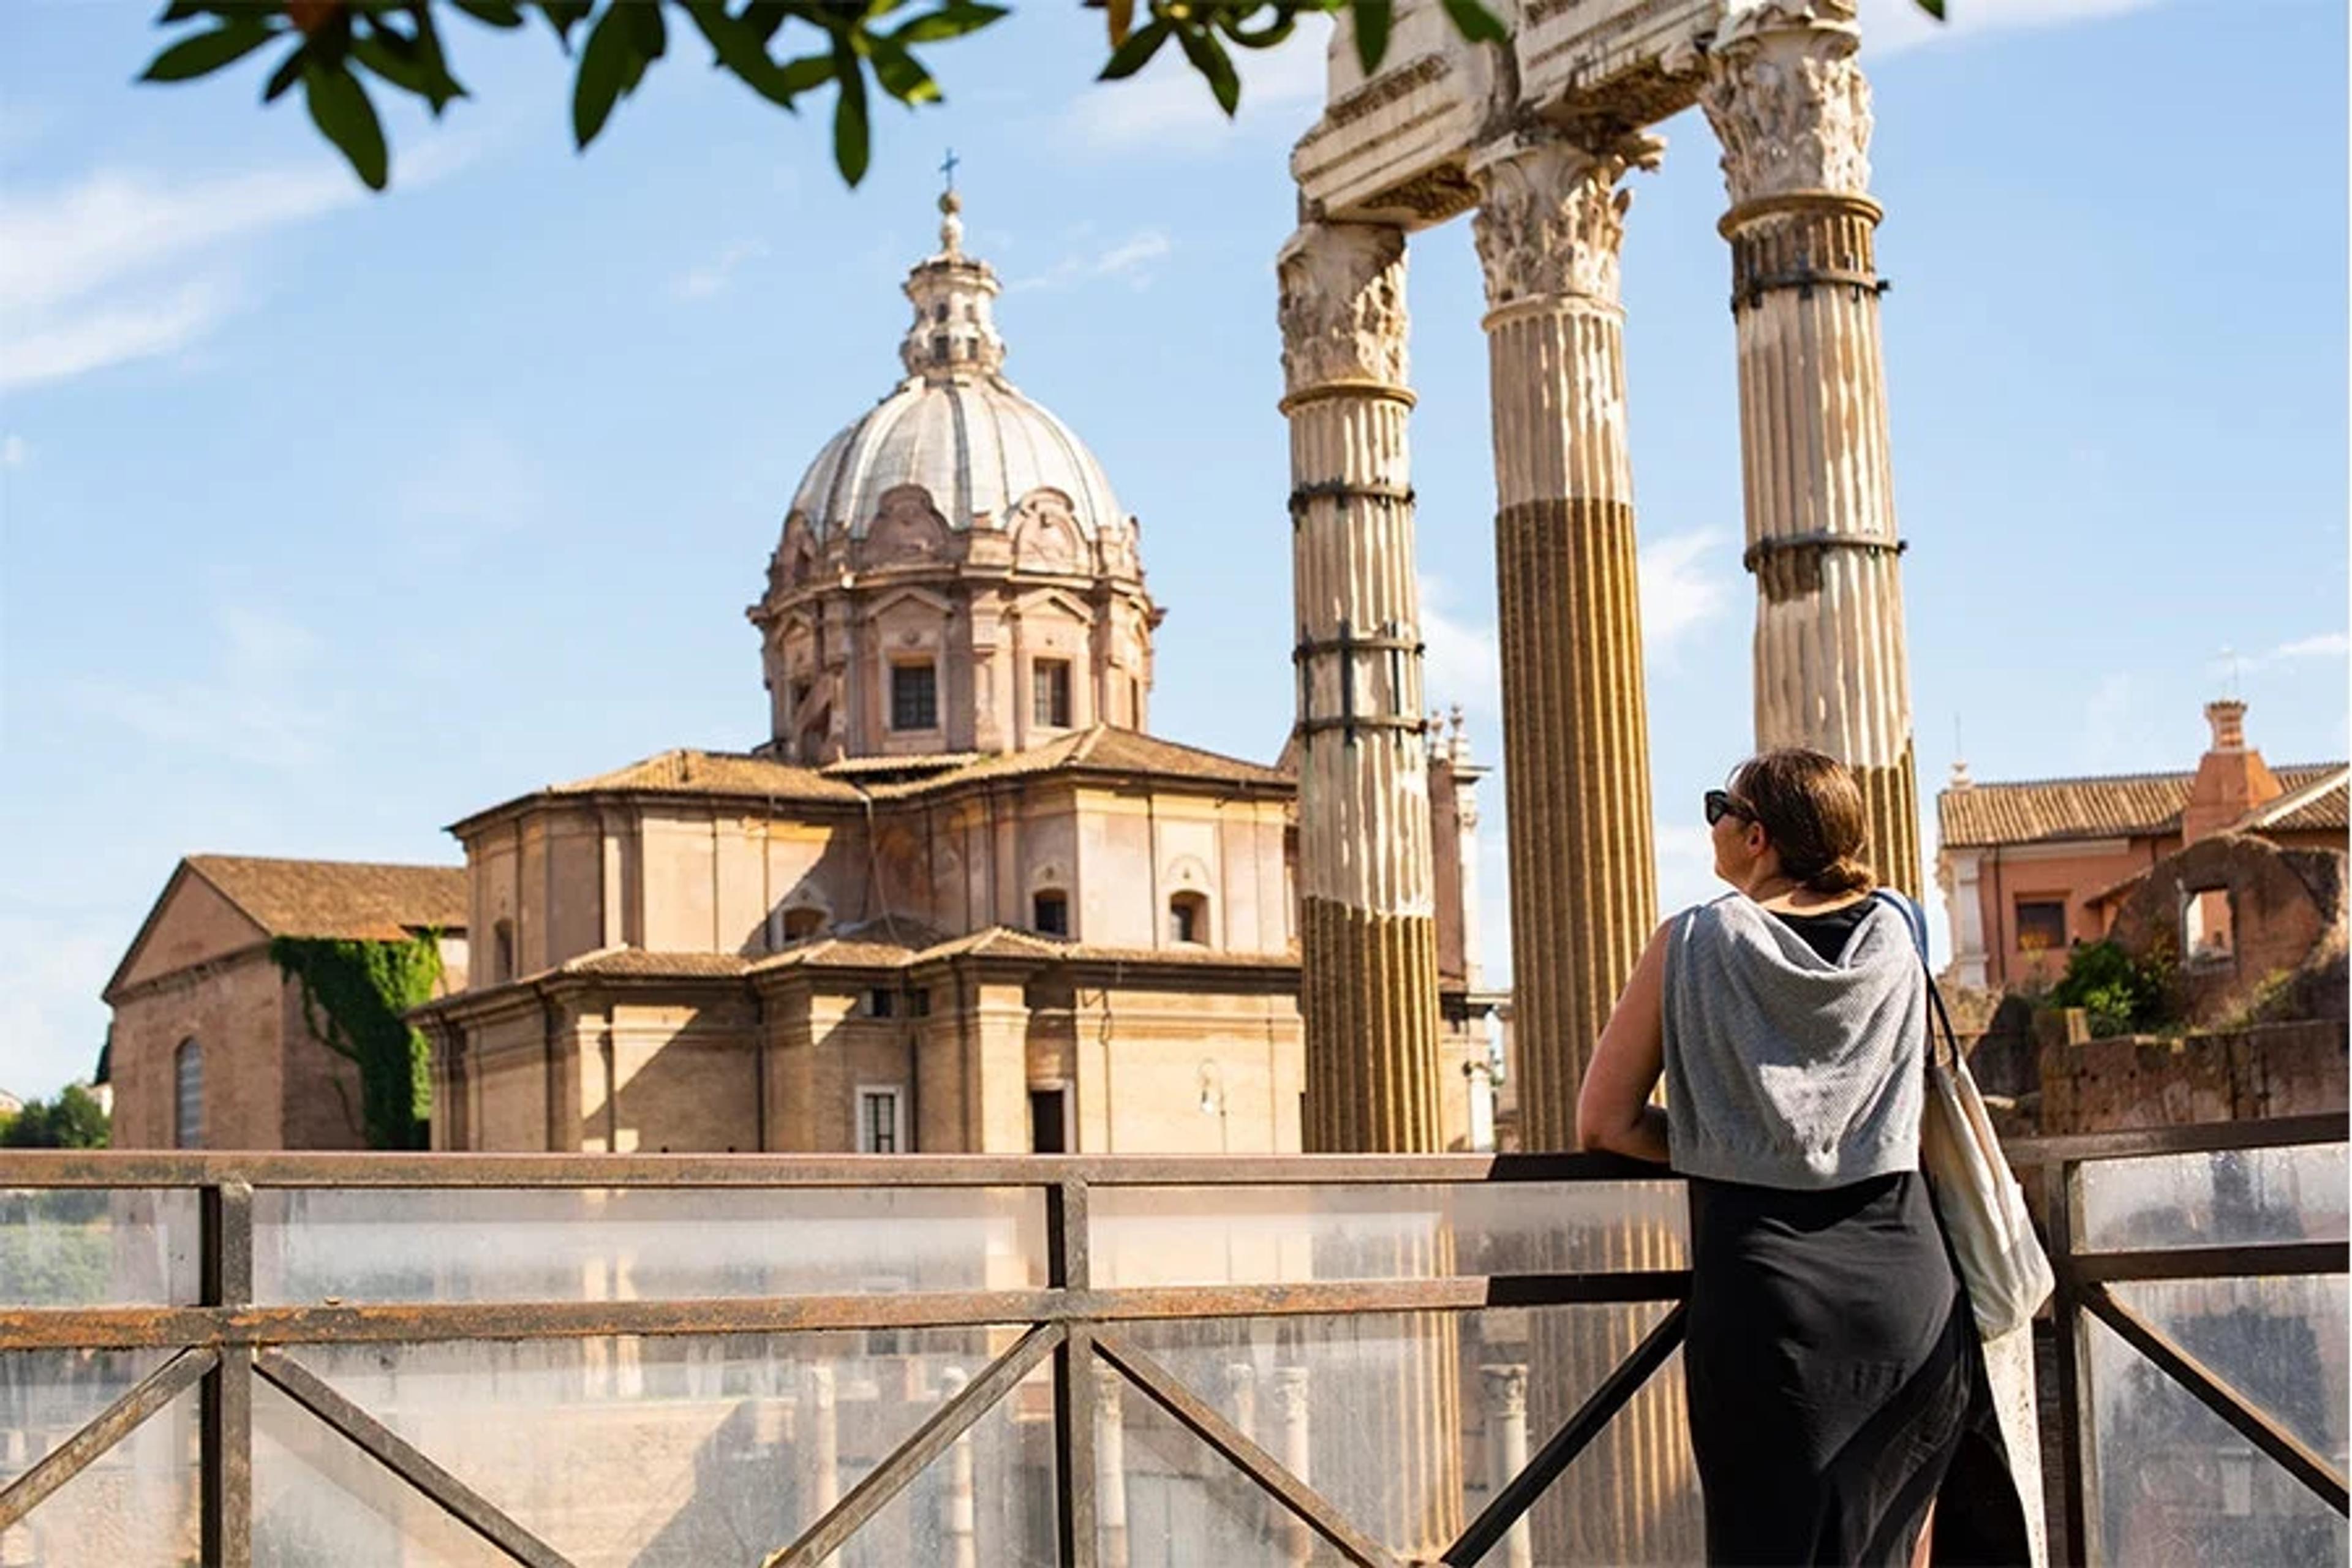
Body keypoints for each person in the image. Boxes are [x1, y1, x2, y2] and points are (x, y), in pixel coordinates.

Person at [1577, 748, 2030, 1567]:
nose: (1711, 823)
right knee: (1895, 1548)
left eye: (1719, 808)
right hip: (1912, 1299)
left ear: (1758, 837)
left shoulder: (1688, 940)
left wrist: (1720, 1143)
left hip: (1767, 1306)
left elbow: (1605, 1124)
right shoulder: (1899, 932)